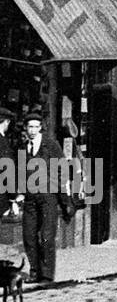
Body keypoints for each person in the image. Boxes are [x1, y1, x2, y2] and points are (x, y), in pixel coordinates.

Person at [14, 113, 73, 284]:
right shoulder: (23, 147)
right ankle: (34, 271)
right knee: (29, 235)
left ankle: (46, 275)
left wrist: (65, 196)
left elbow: (62, 168)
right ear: (26, 128)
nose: (32, 130)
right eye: (29, 127)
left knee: (46, 236)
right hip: (30, 197)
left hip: (48, 196)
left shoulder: (50, 145)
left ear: (40, 128)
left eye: (35, 127)